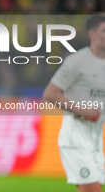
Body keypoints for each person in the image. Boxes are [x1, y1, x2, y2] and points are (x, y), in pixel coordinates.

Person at [43, 15, 105, 192]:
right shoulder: (77, 62)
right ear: (92, 34)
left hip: (96, 139)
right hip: (75, 138)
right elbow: (50, 94)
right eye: (104, 31)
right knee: (93, 189)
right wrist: (82, 111)